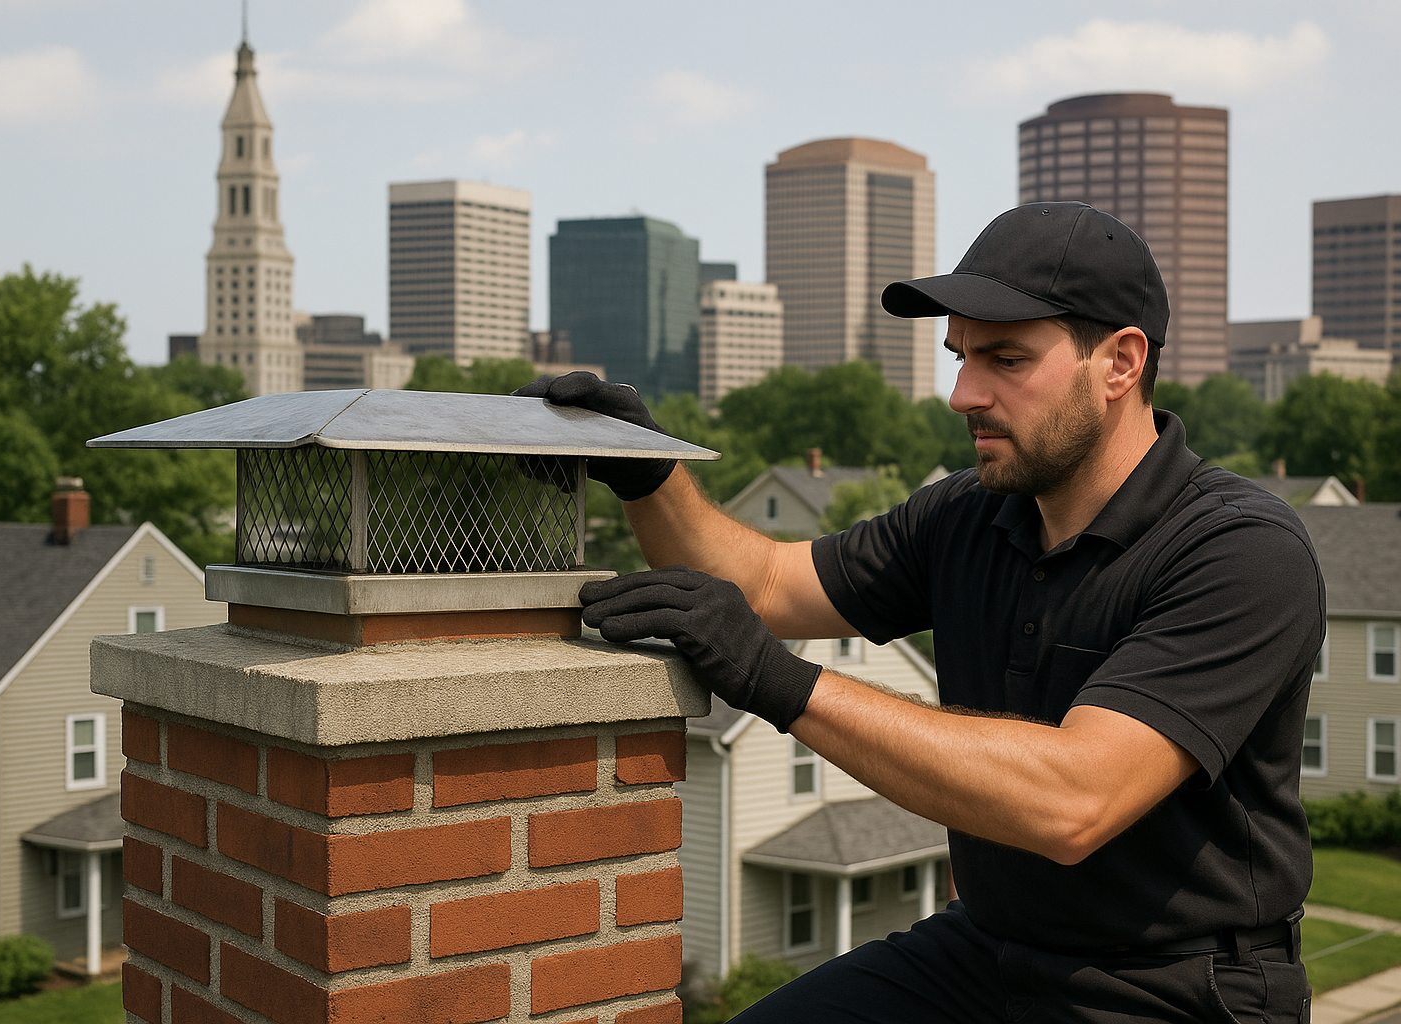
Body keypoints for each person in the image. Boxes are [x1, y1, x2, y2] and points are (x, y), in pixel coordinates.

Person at [518, 202, 1324, 1023]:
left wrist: (774, 679)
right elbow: (764, 584)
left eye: (1006, 359)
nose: (963, 394)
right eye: (960, 357)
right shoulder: (969, 515)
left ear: (1120, 362)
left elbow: (1075, 801)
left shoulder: (1239, 552)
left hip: (1178, 985)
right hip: (986, 951)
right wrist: (647, 472)